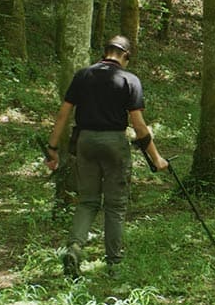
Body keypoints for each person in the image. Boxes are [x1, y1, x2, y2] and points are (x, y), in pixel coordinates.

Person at [45, 35, 168, 279]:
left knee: (88, 201)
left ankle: (74, 248)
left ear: (106, 52)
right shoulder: (129, 80)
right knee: (115, 205)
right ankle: (114, 264)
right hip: (114, 143)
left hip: (85, 142)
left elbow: (63, 115)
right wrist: (156, 158)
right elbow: (139, 126)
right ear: (126, 56)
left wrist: (52, 148)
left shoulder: (83, 75)